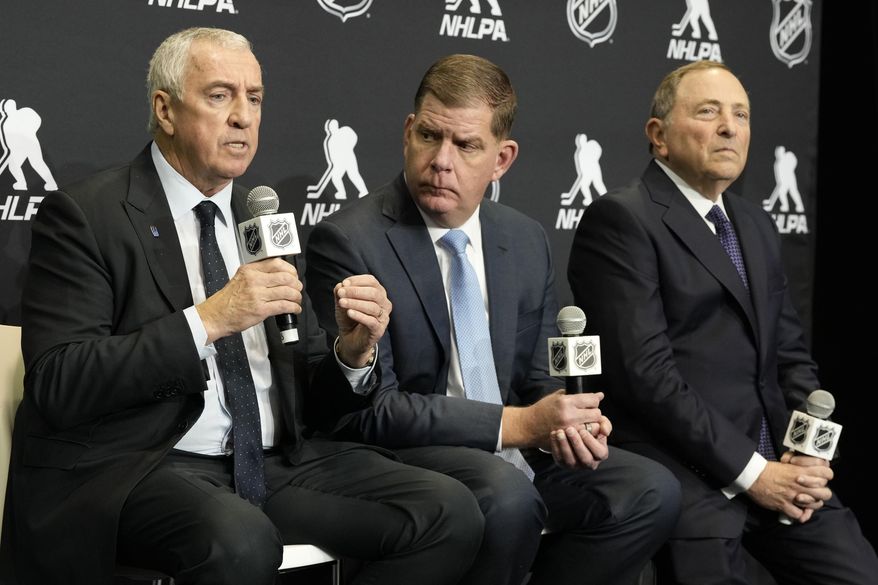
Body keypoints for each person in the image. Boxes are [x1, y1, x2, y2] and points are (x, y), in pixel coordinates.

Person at [0, 27, 484, 585]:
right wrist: (210, 319)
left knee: (447, 512)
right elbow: (61, 381)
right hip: (143, 465)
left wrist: (351, 354)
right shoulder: (89, 215)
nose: (243, 116)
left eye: (254, 98)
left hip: (272, 463)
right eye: (219, 95)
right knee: (239, 540)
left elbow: (308, 393)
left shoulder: (264, 219)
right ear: (165, 109)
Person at [304, 53, 681, 585]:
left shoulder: (525, 239)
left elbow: (538, 379)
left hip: (513, 453)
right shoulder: (349, 241)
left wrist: (567, 425)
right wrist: (522, 425)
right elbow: (369, 411)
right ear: (408, 132)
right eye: (430, 136)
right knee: (506, 497)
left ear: (502, 159)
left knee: (648, 490)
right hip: (405, 459)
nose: (441, 159)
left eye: (466, 146)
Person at [568, 60, 878, 584]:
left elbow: (791, 360)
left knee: (857, 573)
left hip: (781, 469)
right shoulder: (622, 220)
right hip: (688, 478)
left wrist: (809, 457)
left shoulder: (754, 223)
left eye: (741, 114)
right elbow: (647, 378)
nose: (730, 127)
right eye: (709, 112)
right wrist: (754, 474)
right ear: (658, 135)